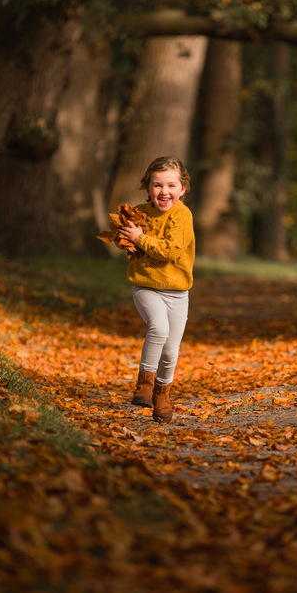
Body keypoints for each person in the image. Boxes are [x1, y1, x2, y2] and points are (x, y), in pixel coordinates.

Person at [118, 156, 195, 422]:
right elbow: (124, 238)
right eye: (157, 185)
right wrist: (125, 237)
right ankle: (145, 384)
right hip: (146, 285)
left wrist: (139, 238)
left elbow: (170, 251)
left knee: (171, 349)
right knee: (158, 328)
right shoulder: (138, 213)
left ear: (182, 189)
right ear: (148, 188)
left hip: (177, 290)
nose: (164, 192)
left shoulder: (182, 215)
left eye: (171, 185)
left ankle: (162, 393)